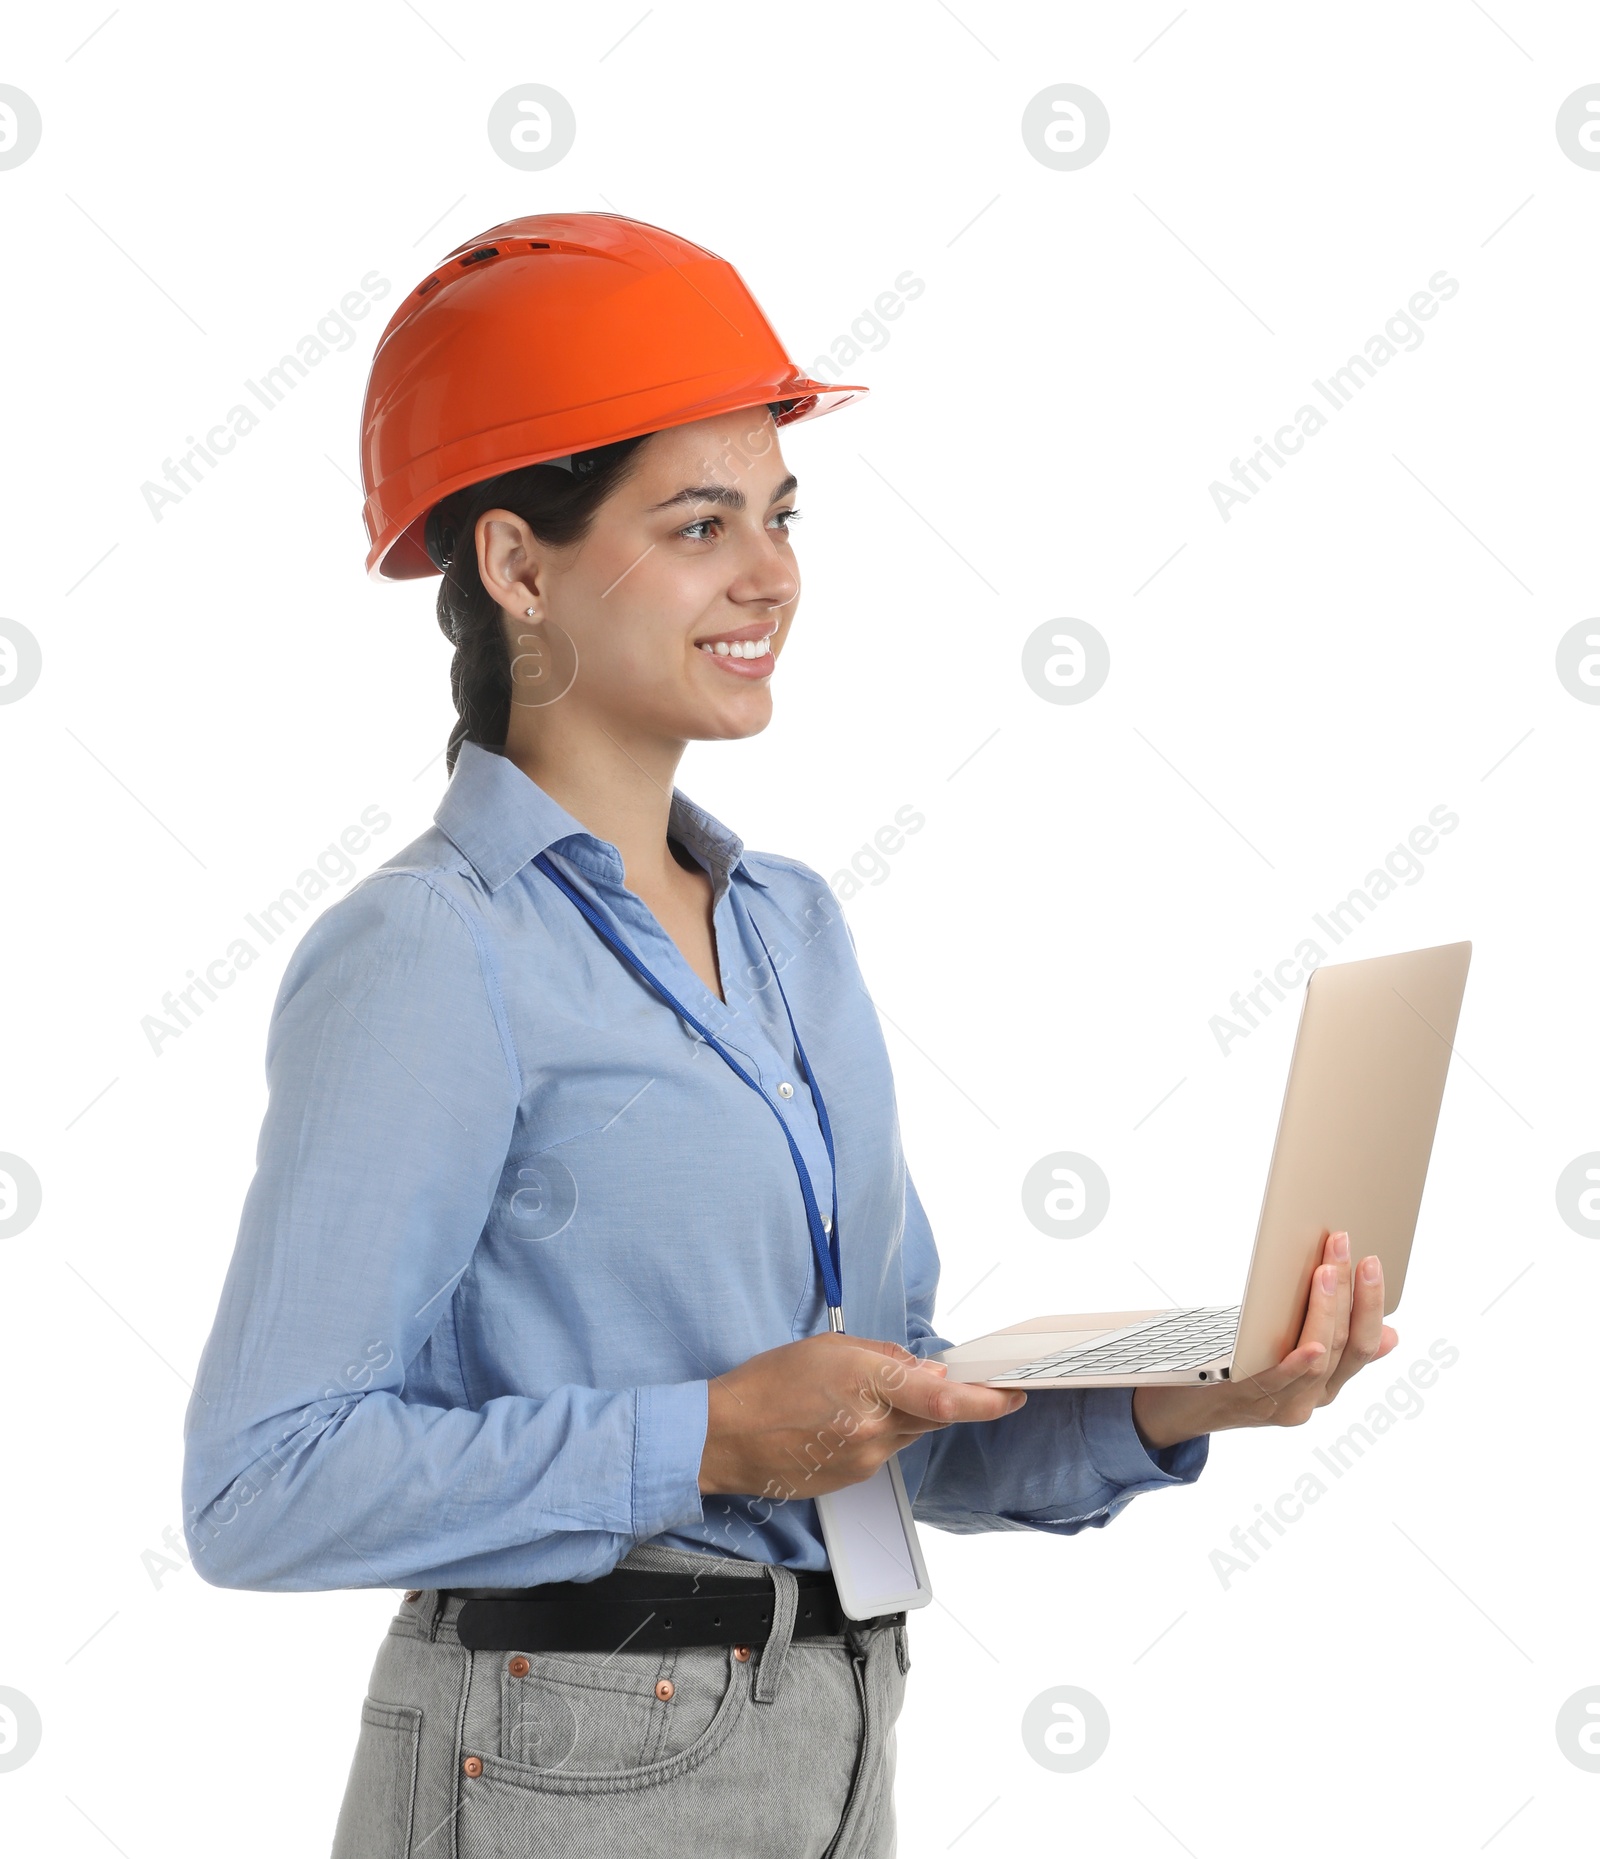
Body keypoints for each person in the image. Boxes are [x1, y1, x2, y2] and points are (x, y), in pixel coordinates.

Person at [181, 212, 1399, 1858]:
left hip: (830, 1741)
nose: (770, 576)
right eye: (698, 525)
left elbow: (886, 1419)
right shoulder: (428, 953)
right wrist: (709, 1435)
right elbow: (262, 1486)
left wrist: (1187, 1402)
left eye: (779, 514)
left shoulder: (791, 929)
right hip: (558, 1760)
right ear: (518, 565)